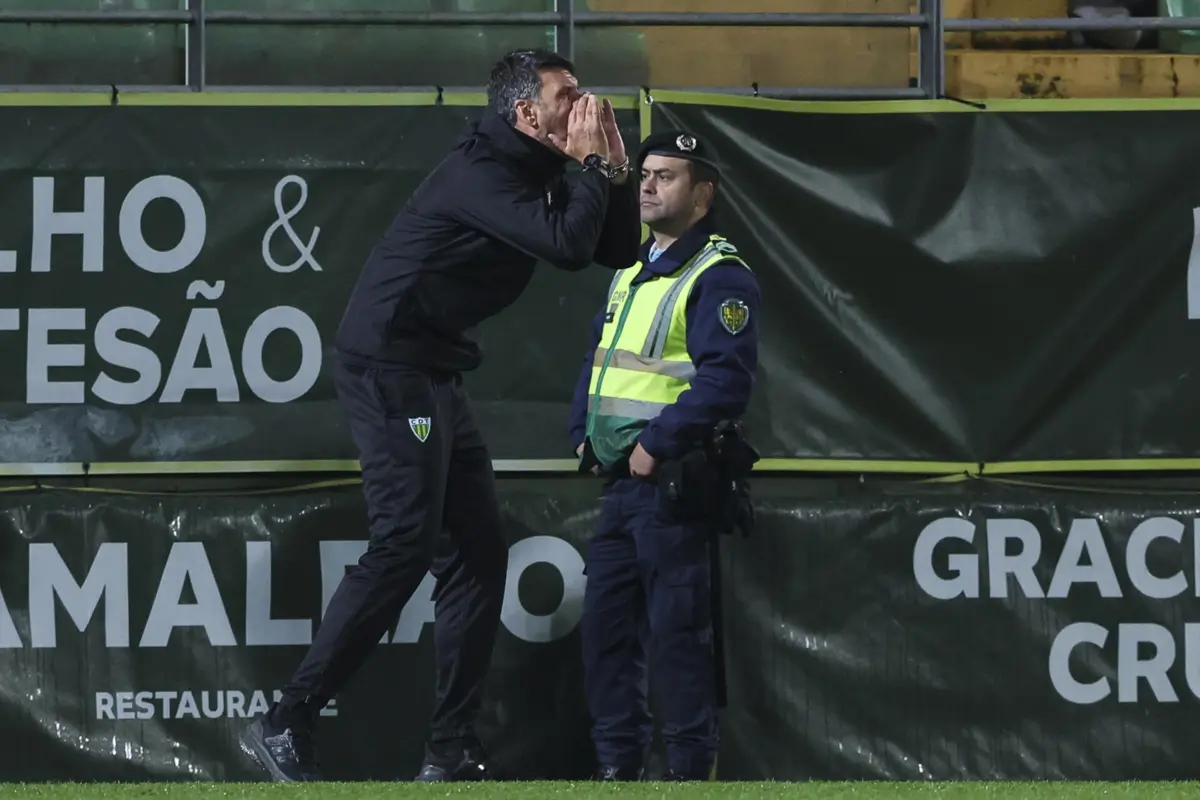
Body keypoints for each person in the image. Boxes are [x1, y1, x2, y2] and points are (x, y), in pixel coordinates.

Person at [238, 48, 639, 783]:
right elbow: (564, 243)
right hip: (389, 365)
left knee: (481, 556)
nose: (582, 105)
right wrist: (589, 169)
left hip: (435, 371)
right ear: (524, 114)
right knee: (404, 545)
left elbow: (610, 249)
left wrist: (609, 170)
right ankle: (287, 718)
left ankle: (450, 748)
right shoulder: (481, 172)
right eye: (566, 96)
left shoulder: (537, 167)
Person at [568, 129, 761, 781]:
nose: (647, 185)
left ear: (702, 195)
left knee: (679, 639)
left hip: (673, 486)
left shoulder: (719, 274)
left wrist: (656, 444)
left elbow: (725, 382)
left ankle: (686, 775)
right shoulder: (630, 265)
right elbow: (599, 360)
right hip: (622, 487)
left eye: (666, 176)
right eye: (644, 173)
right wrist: (583, 436)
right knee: (606, 638)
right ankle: (619, 771)